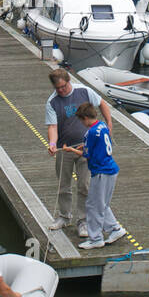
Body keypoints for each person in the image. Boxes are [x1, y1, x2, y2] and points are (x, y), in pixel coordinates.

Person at [44, 67, 112, 238]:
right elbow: (52, 126)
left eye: (63, 87)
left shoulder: (84, 91)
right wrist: (52, 143)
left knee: (85, 185)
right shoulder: (52, 102)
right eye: (57, 88)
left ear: (68, 81)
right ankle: (64, 216)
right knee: (63, 185)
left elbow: (102, 104)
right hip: (65, 148)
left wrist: (109, 125)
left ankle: (83, 221)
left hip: (86, 146)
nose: (61, 90)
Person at [64, 102, 125, 249]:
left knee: (93, 205)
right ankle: (115, 229)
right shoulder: (102, 125)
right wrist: (84, 145)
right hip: (112, 169)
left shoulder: (90, 132)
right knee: (102, 203)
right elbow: (98, 144)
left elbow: (87, 155)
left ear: (85, 118)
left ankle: (95, 238)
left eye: (81, 120)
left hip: (101, 172)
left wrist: (71, 151)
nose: (82, 124)